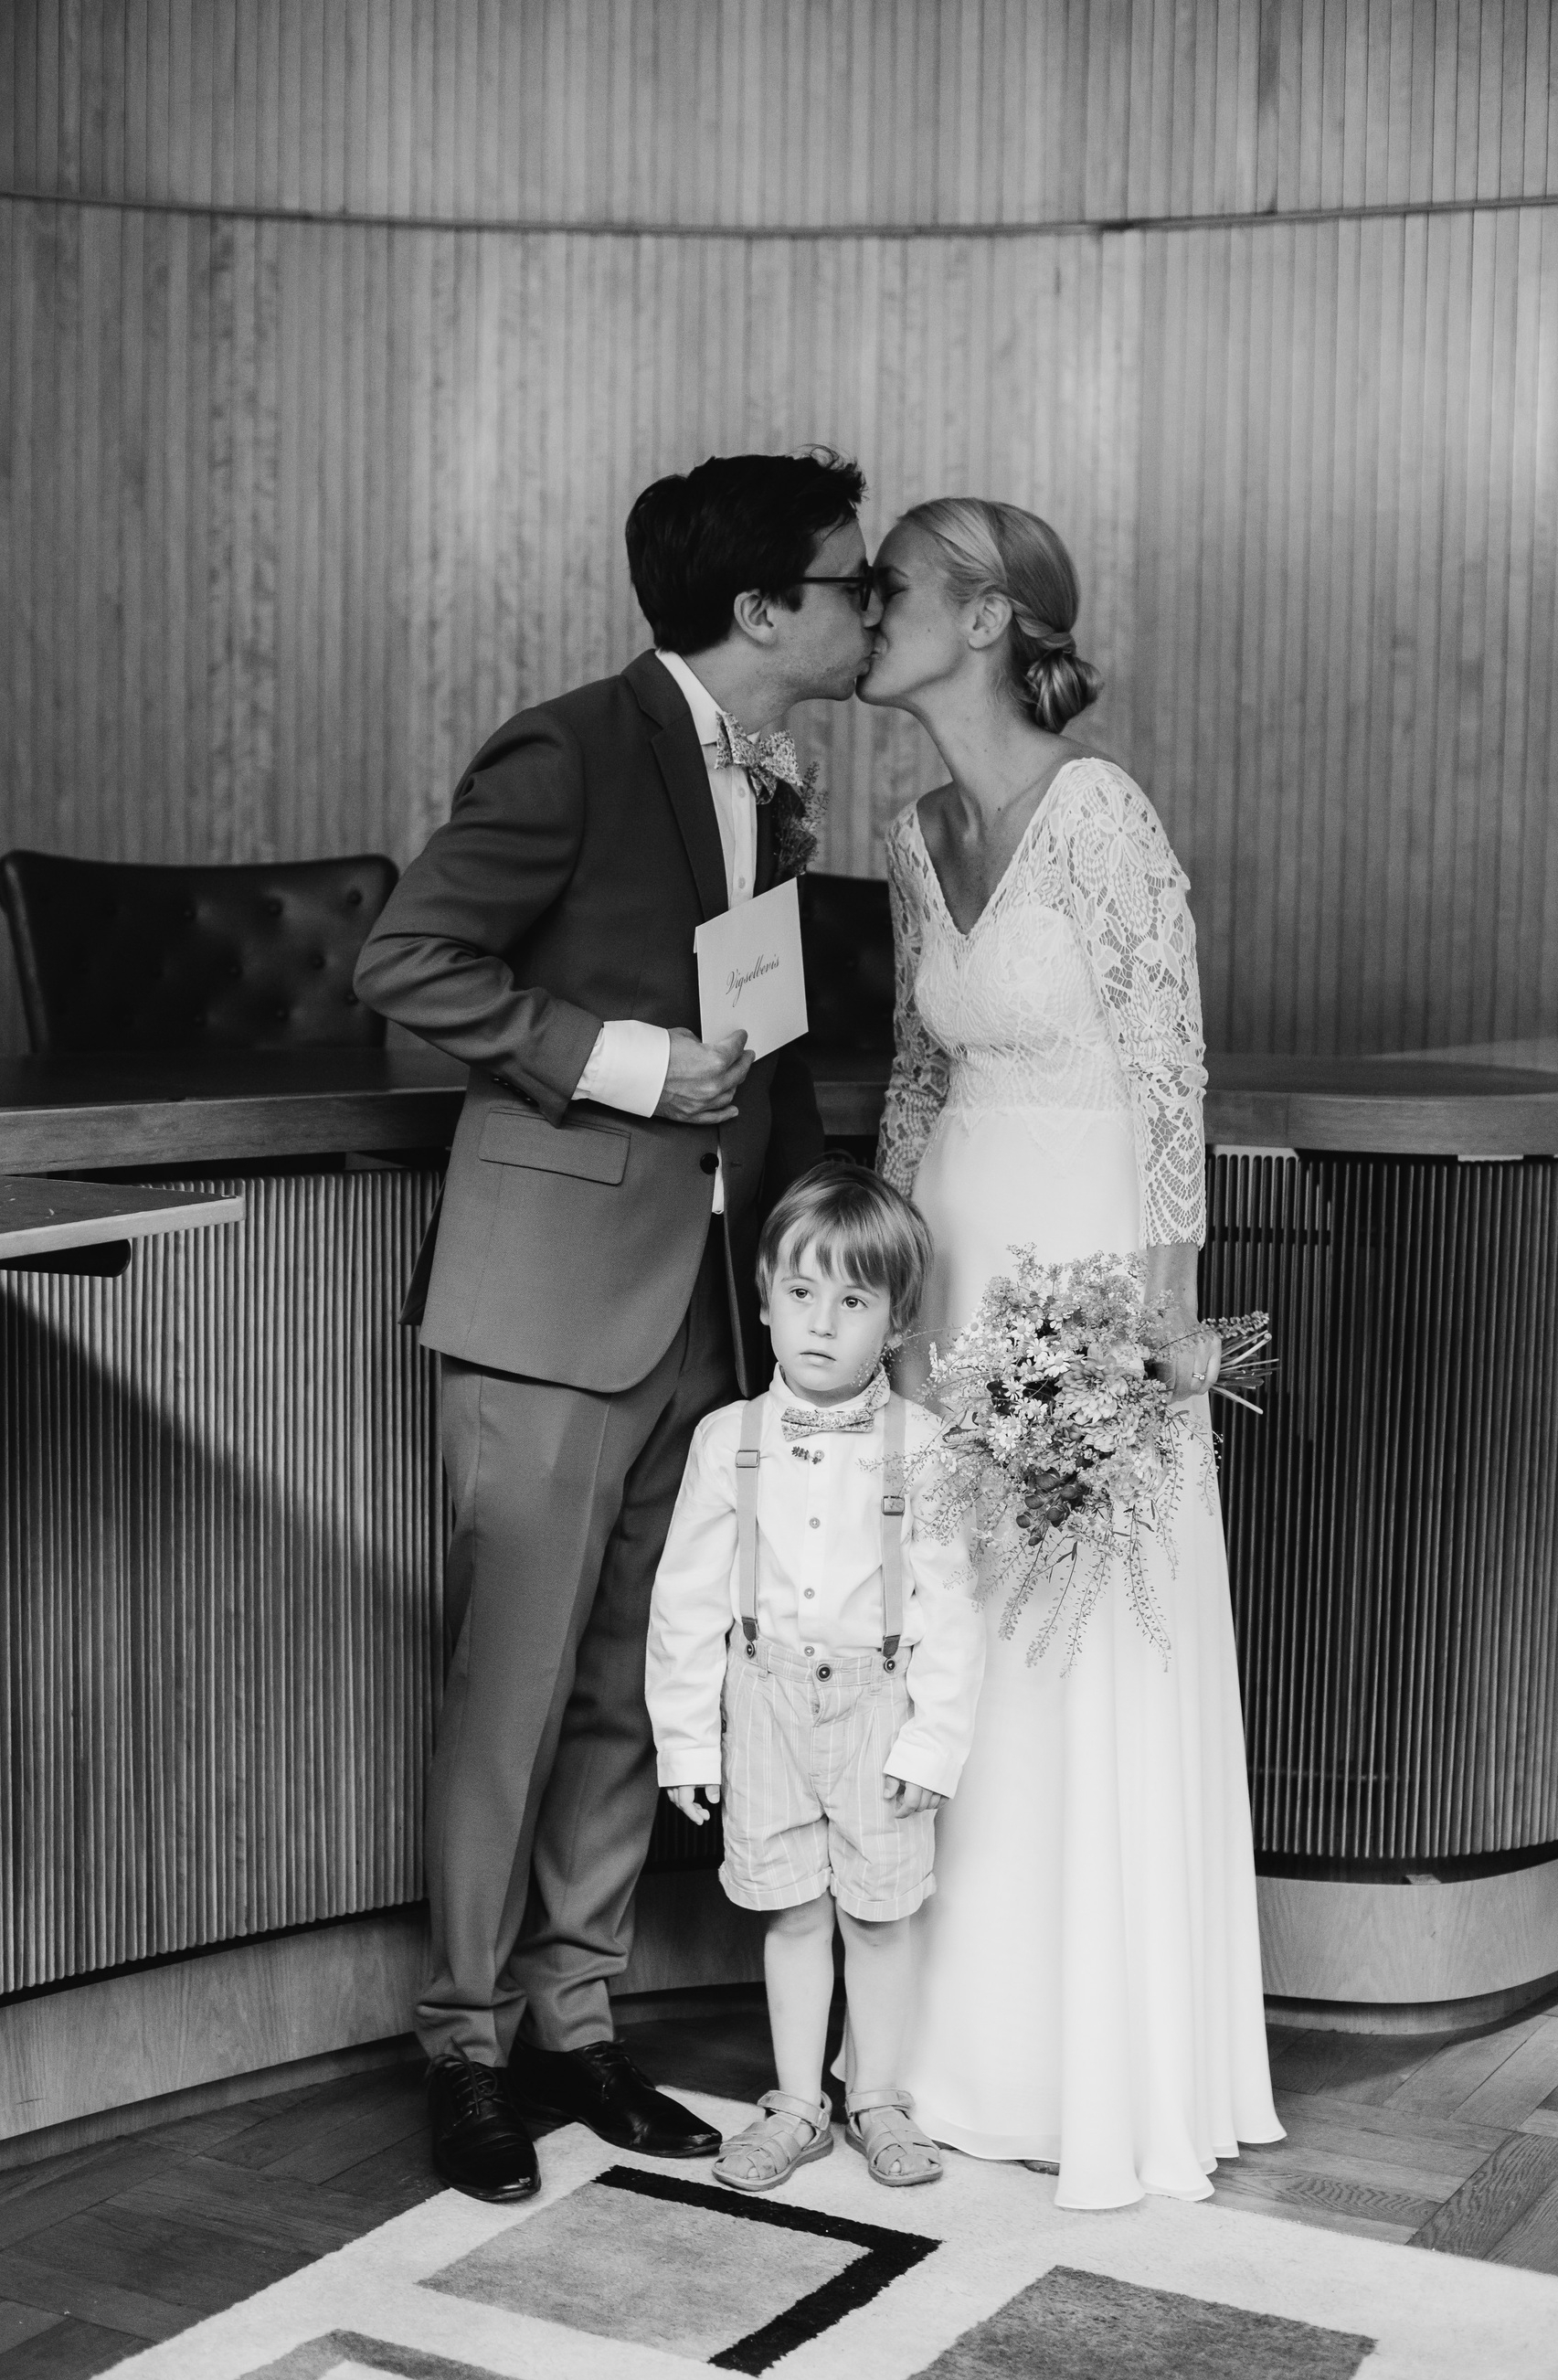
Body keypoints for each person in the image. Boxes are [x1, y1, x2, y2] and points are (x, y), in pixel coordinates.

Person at [354, 452, 880, 2203]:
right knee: (509, 1693)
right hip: (551, 1302)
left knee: (629, 1693)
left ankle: (579, 2028)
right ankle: (464, 2051)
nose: (865, 608)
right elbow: (409, 958)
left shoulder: (767, 778)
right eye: (846, 582)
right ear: (758, 611)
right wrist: (624, 1060)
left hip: (717, 1301)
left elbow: (775, 1044)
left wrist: (807, 1234)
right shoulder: (573, 744)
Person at [859, 495, 1283, 2208]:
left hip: (1088, 1263)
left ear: (980, 619)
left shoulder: (1102, 815)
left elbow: (1175, 1077)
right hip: (954, 1259)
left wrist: (1151, 1334)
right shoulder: (908, 830)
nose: (858, 613)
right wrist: (891, 1299)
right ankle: (944, 2053)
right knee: (953, 1644)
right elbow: (910, 1073)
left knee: (1081, 1637)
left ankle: (1098, 2061)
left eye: (884, 589)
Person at [645, 1163, 985, 2193]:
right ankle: (797, 2103)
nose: (822, 1324)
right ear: (763, 1298)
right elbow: (687, 1603)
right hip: (764, 1704)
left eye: (853, 1301)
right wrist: (686, 1742)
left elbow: (951, 1611)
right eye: (801, 1294)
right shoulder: (726, 1440)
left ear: (894, 1321)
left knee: (878, 1914)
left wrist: (932, 1744)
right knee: (791, 1912)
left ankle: (876, 2094)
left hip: (878, 1710)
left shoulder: (922, 1446)